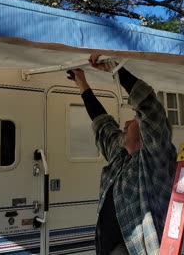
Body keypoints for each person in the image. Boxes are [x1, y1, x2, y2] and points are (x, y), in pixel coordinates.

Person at [67, 55, 177, 255]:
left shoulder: (155, 159)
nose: (125, 124)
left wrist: (116, 68)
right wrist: (82, 83)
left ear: (146, 133)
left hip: (137, 249)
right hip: (106, 248)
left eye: (133, 120)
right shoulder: (120, 157)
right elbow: (102, 124)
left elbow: (150, 108)